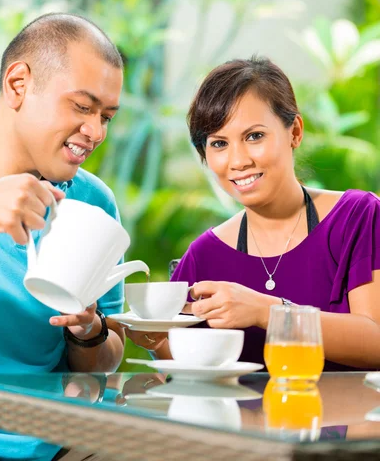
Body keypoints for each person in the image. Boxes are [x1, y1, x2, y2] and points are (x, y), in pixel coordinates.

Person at [127, 56, 380, 371]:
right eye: (219, 143)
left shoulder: (357, 217)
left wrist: (267, 311)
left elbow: (375, 342)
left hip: (348, 420)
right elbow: (186, 370)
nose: (238, 160)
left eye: (254, 136)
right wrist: (155, 341)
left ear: (295, 132)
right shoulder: (203, 256)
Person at [0, 12, 126, 374]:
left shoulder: (93, 203)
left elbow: (106, 358)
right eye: (81, 106)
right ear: (18, 85)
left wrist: (87, 329)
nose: (95, 131)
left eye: (106, 116)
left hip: (49, 426)